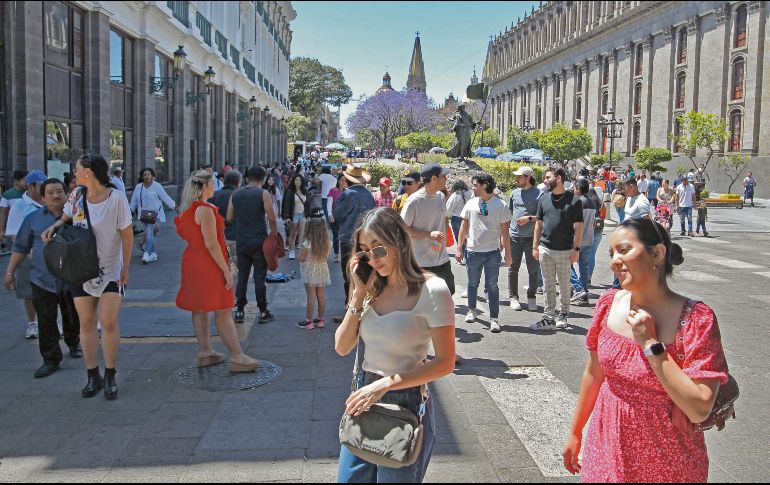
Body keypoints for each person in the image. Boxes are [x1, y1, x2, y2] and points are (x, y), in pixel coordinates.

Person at [563, 218, 728, 482]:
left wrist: (652, 345)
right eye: (611, 253)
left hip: (667, 457)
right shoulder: (608, 304)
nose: (614, 261)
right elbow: (594, 373)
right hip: (606, 444)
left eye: (624, 250)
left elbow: (699, 408)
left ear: (657, 253)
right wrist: (575, 431)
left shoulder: (697, 319)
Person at [334, 208, 455, 483]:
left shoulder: (433, 289)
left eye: (379, 249)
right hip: (363, 395)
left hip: (405, 401)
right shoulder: (369, 286)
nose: (373, 260)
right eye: (365, 252)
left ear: (399, 242)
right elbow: (342, 347)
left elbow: (445, 362)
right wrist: (358, 295)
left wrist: (385, 384)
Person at [42, 154, 133, 400]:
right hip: (81, 269)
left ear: (89, 172)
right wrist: (54, 226)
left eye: (77, 169)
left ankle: (110, 374)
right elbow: (66, 217)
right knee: (86, 324)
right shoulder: (77, 196)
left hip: (111, 269)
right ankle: (93, 375)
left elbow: (126, 234)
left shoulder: (117, 199)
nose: (74, 172)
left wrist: (127, 267)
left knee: (109, 322)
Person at [175, 170, 260, 372]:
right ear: (204, 187)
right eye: (212, 183)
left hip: (192, 262)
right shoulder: (206, 210)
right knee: (223, 310)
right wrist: (225, 270)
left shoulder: (188, 209)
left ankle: (205, 352)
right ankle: (237, 356)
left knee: (199, 307)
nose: (215, 186)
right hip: (208, 263)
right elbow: (212, 244)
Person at [5, 178, 82, 378]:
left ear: (67, 195)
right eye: (50, 192)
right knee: (46, 320)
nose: (55, 196)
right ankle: (50, 359)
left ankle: (74, 343)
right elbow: (21, 247)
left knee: (72, 316)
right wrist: (9, 272)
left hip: (71, 278)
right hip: (42, 278)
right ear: (43, 197)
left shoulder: (77, 217)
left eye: (59, 192)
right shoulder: (33, 219)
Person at [456, 173, 512, 333]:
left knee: (492, 286)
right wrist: (459, 248)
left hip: (492, 253)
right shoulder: (471, 203)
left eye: (475, 185)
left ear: (485, 185)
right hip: (473, 251)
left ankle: (494, 318)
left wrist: (508, 254)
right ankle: (472, 310)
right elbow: (463, 227)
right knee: (472, 284)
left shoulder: (501, 205)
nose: (472, 188)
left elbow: (505, 232)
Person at [529, 167, 584, 331]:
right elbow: (538, 224)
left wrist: (577, 249)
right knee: (548, 285)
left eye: (547, 177)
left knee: (565, 285)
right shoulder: (543, 199)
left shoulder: (574, 200)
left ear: (558, 178)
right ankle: (548, 317)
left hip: (565, 250)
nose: (545, 180)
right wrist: (535, 246)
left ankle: (564, 314)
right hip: (545, 248)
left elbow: (579, 226)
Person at [228, 167, 278, 325]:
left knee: (242, 276)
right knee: (259, 277)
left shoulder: (235, 193)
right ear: (262, 179)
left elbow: (229, 217)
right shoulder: (263, 193)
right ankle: (263, 311)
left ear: (247, 178)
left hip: (241, 239)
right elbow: (271, 217)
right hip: (259, 240)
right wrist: (274, 235)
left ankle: (240, 310)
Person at [6, 170, 48, 339]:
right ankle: (32, 323)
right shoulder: (19, 206)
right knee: (29, 292)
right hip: (28, 256)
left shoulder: (49, 203)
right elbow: (16, 235)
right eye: (41, 186)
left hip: (48, 256)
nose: (45, 189)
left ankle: (50, 321)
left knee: (50, 292)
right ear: (31, 187)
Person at [401, 164, 454, 294]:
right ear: (434, 179)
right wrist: (429, 234)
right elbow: (403, 229)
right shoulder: (414, 201)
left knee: (448, 292)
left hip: (441, 258)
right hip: (420, 262)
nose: (446, 179)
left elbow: (443, 218)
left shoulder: (441, 197)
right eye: (443, 176)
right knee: (420, 299)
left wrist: (445, 229)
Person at [332, 165, 375, 322]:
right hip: (366, 240)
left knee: (349, 277)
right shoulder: (369, 195)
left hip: (348, 238)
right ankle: (362, 310)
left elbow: (337, 214)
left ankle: (349, 312)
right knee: (363, 276)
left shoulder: (347, 194)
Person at [507, 166, 542, 312]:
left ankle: (531, 296)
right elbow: (508, 214)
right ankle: (513, 297)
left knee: (533, 269)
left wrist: (529, 218)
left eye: (519, 176)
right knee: (512, 268)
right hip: (514, 236)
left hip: (531, 238)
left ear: (528, 178)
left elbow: (543, 217)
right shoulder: (514, 193)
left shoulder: (539, 194)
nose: (516, 179)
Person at [129, 167, 177, 264]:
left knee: (149, 231)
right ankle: (153, 253)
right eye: (145, 175)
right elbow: (134, 201)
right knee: (149, 232)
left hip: (155, 214)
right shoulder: (138, 187)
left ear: (152, 176)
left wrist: (174, 206)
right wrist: (130, 211)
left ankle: (146, 253)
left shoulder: (157, 186)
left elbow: (165, 197)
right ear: (142, 177)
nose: (147, 176)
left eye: (149, 174)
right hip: (143, 214)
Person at [297, 217, 331, 330]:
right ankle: (321, 320)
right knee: (321, 296)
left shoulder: (307, 243)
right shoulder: (326, 242)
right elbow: (326, 256)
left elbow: (301, 258)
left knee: (310, 297)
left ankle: (308, 321)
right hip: (322, 270)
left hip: (310, 272)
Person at [569, 178, 596, 305]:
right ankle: (584, 293)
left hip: (576, 240)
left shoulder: (577, 202)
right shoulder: (592, 202)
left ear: (578, 189)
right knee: (583, 268)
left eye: (575, 187)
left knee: (566, 264)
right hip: (589, 239)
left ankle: (578, 287)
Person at [209, 170, 242, 264]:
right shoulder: (240, 195)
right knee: (233, 268)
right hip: (234, 236)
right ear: (237, 182)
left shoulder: (213, 195)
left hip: (216, 237)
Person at [281, 173, 309, 260]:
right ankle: (291, 251)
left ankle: (303, 252)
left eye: (300, 180)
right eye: (296, 180)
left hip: (303, 215)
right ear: (293, 181)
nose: (298, 181)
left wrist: (309, 214)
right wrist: (286, 217)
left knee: (304, 235)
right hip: (293, 215)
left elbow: (307, 204)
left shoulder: (305, 191)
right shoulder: (290, 191)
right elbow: (286, 205)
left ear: (302, 181)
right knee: (293, 234)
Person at [446, 180, 473, 264]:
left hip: (457, 218)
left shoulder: (455, 195)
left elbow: (449, 208)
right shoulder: (470, 193)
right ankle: (468, 256)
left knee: (459, 238)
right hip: (469, 218)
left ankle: (461, 256)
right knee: (468, 237)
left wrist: (447, 216)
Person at [0, 170, 28, 240]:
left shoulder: (31, 193)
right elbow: (3, 213)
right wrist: (1, 230)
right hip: (13, 232)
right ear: (16, 180)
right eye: (24, 180)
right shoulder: (7, 195)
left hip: (29, 230)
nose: (27, 183)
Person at [262, 173, 283, 240]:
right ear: (266, 180)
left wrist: (279, 211)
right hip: (263, 209)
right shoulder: (262, 188)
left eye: (272, 180)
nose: (271, 181)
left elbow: (278, 200)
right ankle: (265, 238)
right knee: (264, 226)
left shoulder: (275, 189)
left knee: (273, 225)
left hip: (273, 209)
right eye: (269, 179)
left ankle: (272, 239)